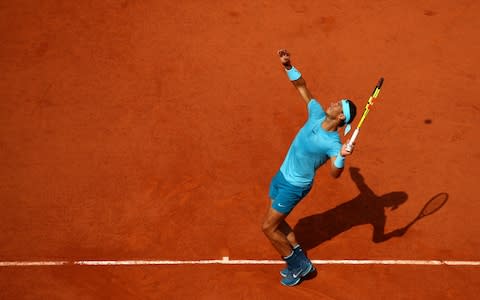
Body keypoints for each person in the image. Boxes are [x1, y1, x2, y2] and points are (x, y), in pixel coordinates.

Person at [261, 49, 357, 287]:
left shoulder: (333, 143)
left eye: (339, 104)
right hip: (283, 174)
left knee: (268, 228)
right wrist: (288, 65)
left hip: (295, 185)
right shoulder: (316, 113)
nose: (334, 102)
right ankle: (301, 260)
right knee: (279, 222)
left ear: (341, 118)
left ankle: (298, 266)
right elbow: (302, 87)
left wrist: (342, 157)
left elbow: (335, 174)